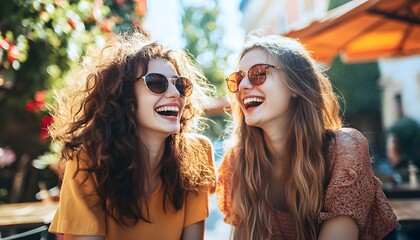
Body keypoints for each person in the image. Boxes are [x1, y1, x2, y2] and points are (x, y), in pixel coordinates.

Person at [217, 34, 398, 240]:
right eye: (238, 79)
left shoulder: (345, 150)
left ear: (295, 85)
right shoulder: (239, 162)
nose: (242, 87)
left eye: (258, 73)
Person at [48, 30, 216, 240]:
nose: (174, 93)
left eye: (179, 84)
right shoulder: (88, 162)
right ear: (124, 96)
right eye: (156, 83)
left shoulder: (197, 155)